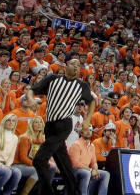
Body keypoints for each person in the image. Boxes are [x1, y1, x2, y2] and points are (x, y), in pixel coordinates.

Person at [27, 57, 96, 195]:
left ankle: (46, 192)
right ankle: (73, 191)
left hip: (64, 124)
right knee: (64, 165)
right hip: (49, 125)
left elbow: (92, 101)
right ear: (66, 66)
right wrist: (30, 99)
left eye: (78, 65)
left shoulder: (81, 86)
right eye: (73, 64)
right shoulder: (53, 79)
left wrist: (87, 120)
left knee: (39, 159)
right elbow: (32, 90)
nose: (76, 67)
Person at [69, 125, 110, 195]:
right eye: (86, 130)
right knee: (86, 173)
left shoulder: (92, 146)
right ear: (81, 133)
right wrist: (91, 170)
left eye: (90, 130)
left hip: (87, 169)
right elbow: (75, 164)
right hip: (75, 170)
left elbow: (94, 162)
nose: (88, 132)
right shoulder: (76, 144)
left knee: (106, 174)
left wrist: (95, 170)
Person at [12, 115, 48, 195]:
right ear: (31, 125)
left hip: (30, 165)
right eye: (36, 122)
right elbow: (23, 158)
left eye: (40, 122)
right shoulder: (25, 138)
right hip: (18, 165)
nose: (39, 124)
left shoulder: (42, 140)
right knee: (37, 170)